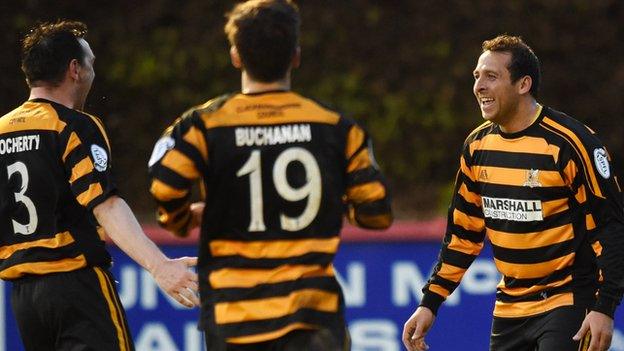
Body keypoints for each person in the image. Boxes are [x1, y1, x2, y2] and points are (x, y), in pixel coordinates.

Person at [147, 1, 393, 350]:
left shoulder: (203, 125)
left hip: (234, 317)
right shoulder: (336, 126)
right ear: (296, 55)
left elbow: (165, 185)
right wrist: (333, 203)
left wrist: (182, 219)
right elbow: (377, 213)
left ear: (235, 56)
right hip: (314, 319)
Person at [403, 34, 624, 351]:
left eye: (491, 76)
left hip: (569, 299)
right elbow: (463, 234)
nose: (479, 86)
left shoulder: (570, 143)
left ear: (523, 85)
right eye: (477, 76)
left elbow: (611, 226)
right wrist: (430, 302)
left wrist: (605, 306)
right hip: (510, 306)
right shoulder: (477, 146)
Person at [0, 21, 200, 350]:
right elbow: (105, 203)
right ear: (74, 69)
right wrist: (159, 266)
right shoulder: (73, 125)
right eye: (91, 63)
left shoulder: (3, 130)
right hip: (76, 286)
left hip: (24, 300)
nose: (94, 72)